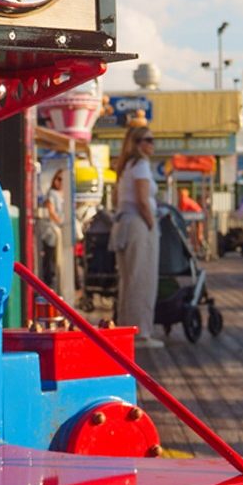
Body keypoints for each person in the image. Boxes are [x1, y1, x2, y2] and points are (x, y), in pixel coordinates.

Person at [112, 127, 162, 348]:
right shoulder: (141, 165)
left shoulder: (125, 167)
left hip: (124, 221)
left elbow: (117, 199)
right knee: (143, 279)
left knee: (129, 280)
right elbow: (142, 199)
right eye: (148, 140)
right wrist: (152, 224)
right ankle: (141, 333)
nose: (152, 144)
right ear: (138, 143)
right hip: (138, 223)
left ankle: (127, 329)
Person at [36, 170, 66, 288]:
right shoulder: (52, 194)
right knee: (51, 259)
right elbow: (51, 210)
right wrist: (61, 223)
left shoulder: (63, 194)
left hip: (59, 231)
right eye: (57, 179)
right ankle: (50, 283)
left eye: (61, 179)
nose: (59, 182)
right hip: (52, 232)